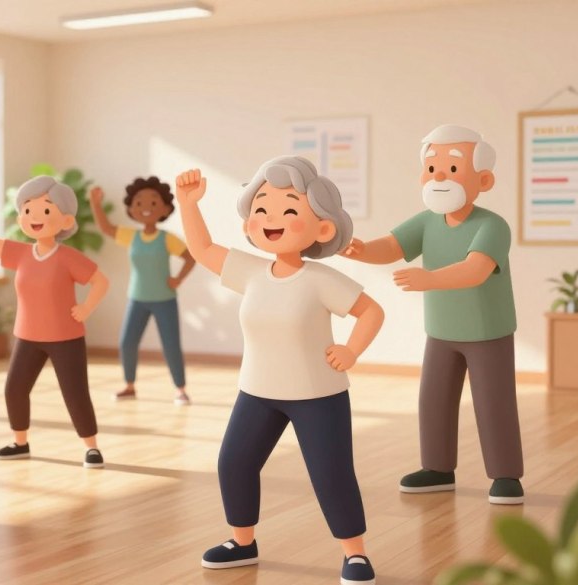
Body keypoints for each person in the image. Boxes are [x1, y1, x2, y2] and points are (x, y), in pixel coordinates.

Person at [177, 158, 383, 584]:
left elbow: (371, 312)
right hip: (257, 392)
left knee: (331, 474)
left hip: (318, 395)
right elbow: (201, 250)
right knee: (233, 463)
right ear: (249, 220)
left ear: (322, 228)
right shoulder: (250, 272)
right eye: (262, 209)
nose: (273, 220)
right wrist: (188, 203)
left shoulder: (320, 278)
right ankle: (242, 542)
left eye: (290, 211)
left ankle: (355, 555)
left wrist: (352, 350)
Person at [341, 124, 524, 505]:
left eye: (453, 169)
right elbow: (392, 245)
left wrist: (429, 279)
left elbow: (475, 269)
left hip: (487, 332)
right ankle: (438, 468)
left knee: (493, 403)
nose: (439, 176)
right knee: (434, 399)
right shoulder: (425, 221)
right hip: (441, 331)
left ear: (483, 179)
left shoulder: (492, 225)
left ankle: (506, 475)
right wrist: (361, 250)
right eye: (432, 168)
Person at [0, 176, 109, 468]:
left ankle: (91, 447)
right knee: (15, 389)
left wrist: (86, 308)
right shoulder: (20, 253)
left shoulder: (68, 257)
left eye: (45, 210)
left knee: (75, 393)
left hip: (65, 336)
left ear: (66, 220)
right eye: (28, 210)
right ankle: (20, 443)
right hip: (27, 337)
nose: (34, 217)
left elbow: (100, 282)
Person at [89, 177, 196, 404]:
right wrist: (95, 204)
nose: (146, 208)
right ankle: (129, 386)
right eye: (139, 203)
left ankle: (181, 389)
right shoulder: (132, 236)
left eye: (153, 203)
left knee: (171, 345)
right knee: (127, 342)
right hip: (137, 299)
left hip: (165, 300)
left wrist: (178, 279)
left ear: (166, 208)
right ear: (131, 208)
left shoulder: (167, 239)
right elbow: (106, 228)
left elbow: (189, 258)